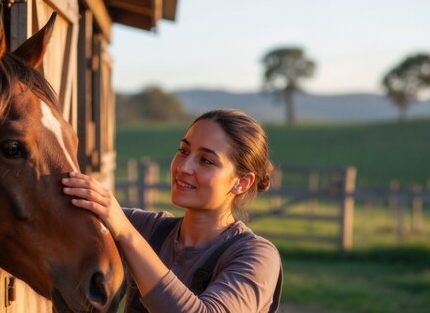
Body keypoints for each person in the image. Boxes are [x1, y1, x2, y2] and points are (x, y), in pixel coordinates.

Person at [62, 109, 282, 312]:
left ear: (242, 182)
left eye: (206, 160)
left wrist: (128, 235)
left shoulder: (257, 257)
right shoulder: (149, 229)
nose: (183, 167)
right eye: (184, 151)